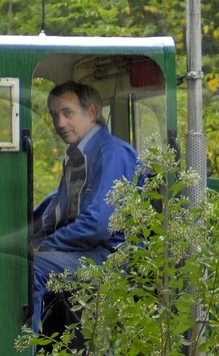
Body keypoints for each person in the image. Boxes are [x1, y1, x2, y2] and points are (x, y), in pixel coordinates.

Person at [28, 80, 138, 332]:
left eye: (67, 113)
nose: (59, 123)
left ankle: (23, 353)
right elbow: (58, 215)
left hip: (111, 257)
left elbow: (99, 225)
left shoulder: (112, 153)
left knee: (31, 270)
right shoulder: (78, 157)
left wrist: (45, 246)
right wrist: (31, 242)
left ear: (91, 112)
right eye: (55, 115)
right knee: (21, 261)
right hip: (88, 252)